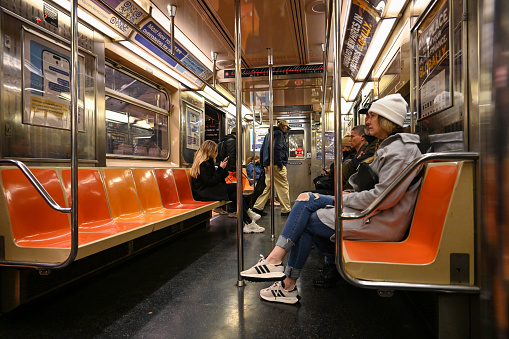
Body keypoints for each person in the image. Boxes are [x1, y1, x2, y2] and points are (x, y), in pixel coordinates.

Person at [241, 93, 422, 303]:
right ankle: (281, 272)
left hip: (381, 221)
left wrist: (342, 199)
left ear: (387, 119)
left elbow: (382, 199)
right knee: (306, 201)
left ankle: (283, 276)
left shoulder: (400, 151)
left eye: (373, 116)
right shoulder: (390, 146)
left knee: (307, 211)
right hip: (371, 212)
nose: (367, 121)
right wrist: (347, 195)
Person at [190, 140, 264, 233]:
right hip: (203, 192)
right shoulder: (204, 165)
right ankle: (248, 214)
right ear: (209, 151)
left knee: (234, 195)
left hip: (208, 190)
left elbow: (214, 180)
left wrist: (222, 169)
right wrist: (221, 169)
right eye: (215, 151)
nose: (216, 154)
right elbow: (211, 182)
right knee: (236, 187)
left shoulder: (207, 163)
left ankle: (248, 222)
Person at [251, 120, 292, 217]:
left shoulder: (268, 134)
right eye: (286, 127)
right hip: (276, 165)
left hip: (268, 165)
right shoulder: (279, 134)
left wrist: (262, 164)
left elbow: (262, 150)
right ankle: (286, 210)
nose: (287, 130)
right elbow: (277, 148)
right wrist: (280, 163)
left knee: (268, 187)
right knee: (283, 186)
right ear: (282, 126)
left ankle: (257, 207)